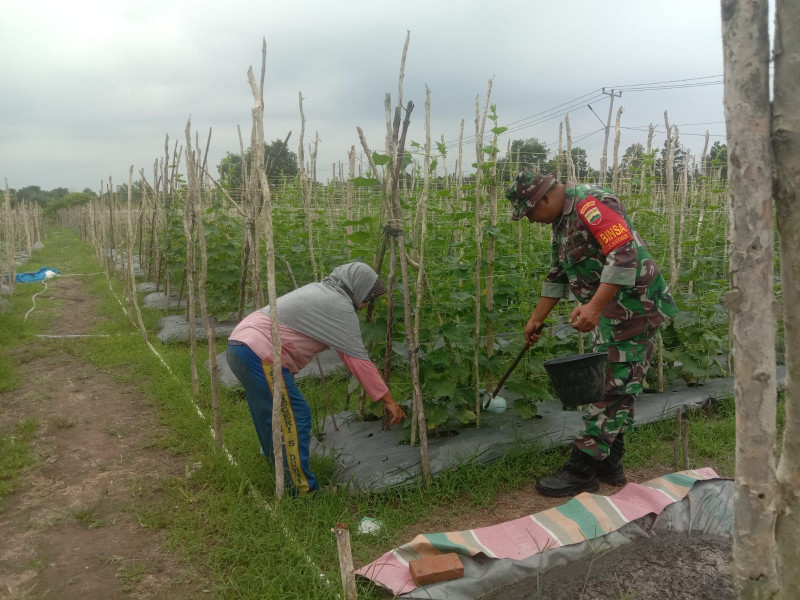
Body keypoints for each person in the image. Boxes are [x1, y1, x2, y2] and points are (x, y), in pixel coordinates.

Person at [505, 170, 678, 497]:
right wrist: (536, 319)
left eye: (529, 212)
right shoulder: (560, 220)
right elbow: (558, 272)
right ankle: (609, 462)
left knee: (612, 385)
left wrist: (595, 307)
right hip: (611, 311)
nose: (529, 221)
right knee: (615, 380)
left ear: (544, 197)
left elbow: (624, 254)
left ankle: (582, 468)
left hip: (634, 305)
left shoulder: (592, 203)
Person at [226, 262, 407, 495]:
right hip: (260, 353)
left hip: (240, 345)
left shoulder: (322, 291)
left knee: (269, 412)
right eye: (367, 298)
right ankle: (301, 489)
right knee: (296, 415)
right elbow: (358, 361)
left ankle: (277, 463)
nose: (365, 305)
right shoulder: (339, 306)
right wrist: (389, 401)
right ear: (357, 289)